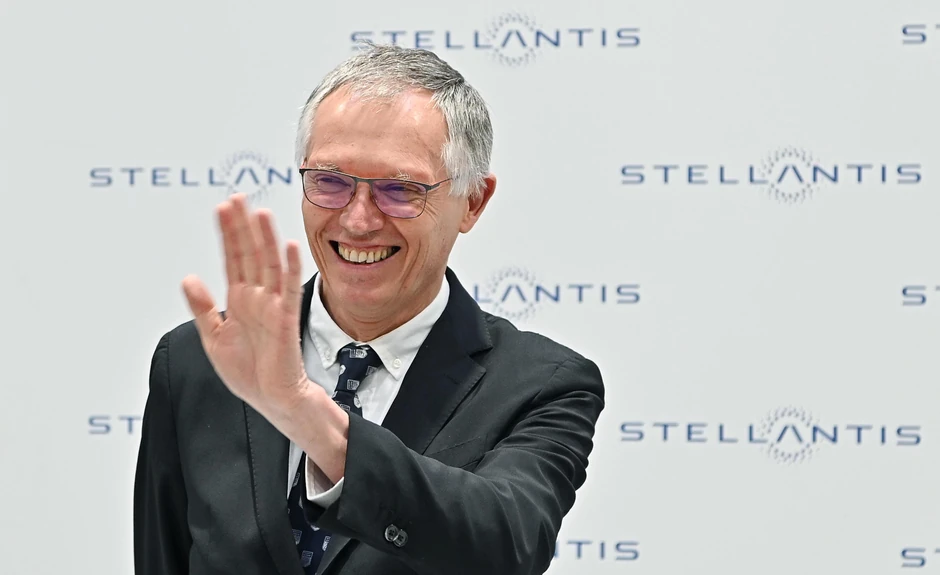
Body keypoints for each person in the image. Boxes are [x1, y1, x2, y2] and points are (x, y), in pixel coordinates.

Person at [133, 43, 605, 575]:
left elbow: (505, 545)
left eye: (399, 189)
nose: (358, 221)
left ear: (473, 201)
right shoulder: (197, 359)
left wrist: (303, 413)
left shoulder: (543, 384)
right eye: (330, 181)